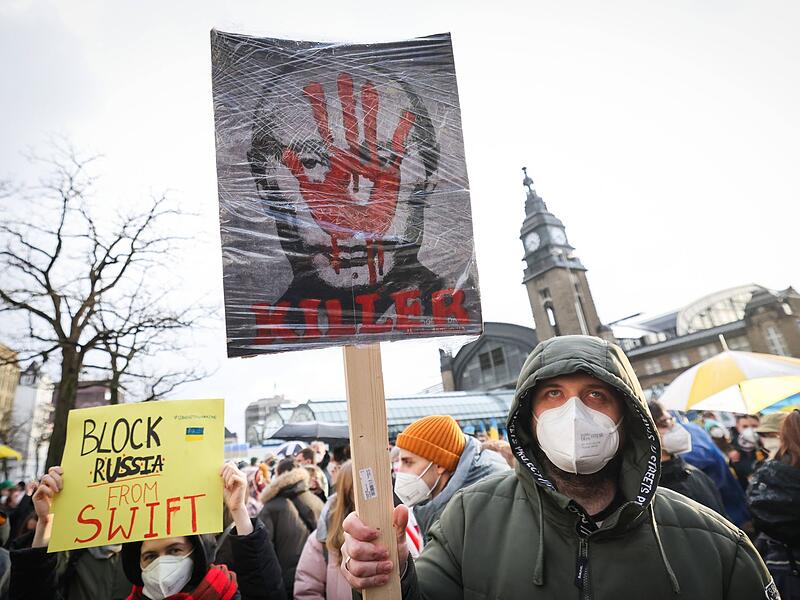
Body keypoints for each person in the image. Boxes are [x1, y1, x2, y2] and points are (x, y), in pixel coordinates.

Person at [340, 335, 776, 598]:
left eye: (594, 395)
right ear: (528, 419)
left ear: (627, 417)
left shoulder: (714, 544)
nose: (573, 413)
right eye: (552, 394)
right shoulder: (469, 520)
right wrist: (392, 574)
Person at [9, 462, 286, 600]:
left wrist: (239, 513)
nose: (162, 563)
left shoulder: (226, 594)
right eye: (150, 556)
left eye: (175, 550)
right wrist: (46, 526)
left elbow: (266, 592)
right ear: (137, 563)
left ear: (196, 552)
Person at [393, 414, 508, 538]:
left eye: (408, 462)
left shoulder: (472, 512)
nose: (399, 471)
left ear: (439, 465)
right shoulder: (445, 508)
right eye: (399, 462)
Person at [748, 409, 800, 600]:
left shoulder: (771, 475)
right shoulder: (772, 473)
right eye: (764, 436)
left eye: (773, 435)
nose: (768, 440)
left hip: (786, 569)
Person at [649, 400, 727, 517]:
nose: (674, 427)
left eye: (672, 420)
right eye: (664, 423)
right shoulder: (654, 492)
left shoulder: (692, 472)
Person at [258, 458, 324, 596]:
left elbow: (263, 551)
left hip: (287, 582)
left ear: (279, 475)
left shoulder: (271, 507)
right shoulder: (316, 500)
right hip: (319, 577)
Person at [730, 413, 764, 488]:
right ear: (737, 427)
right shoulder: (733, 447)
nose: (750, 430)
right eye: (745, 426)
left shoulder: (765, 444)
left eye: (754, 426)